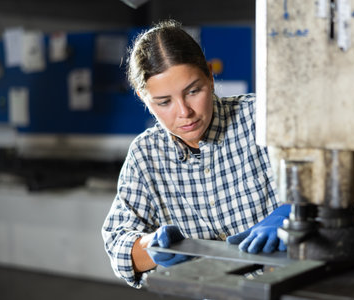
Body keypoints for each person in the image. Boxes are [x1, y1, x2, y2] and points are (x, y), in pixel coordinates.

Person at [101, 20, 290, 288]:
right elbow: (118, 247)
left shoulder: (262, 120)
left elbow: (348, 190)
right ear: (145, 100)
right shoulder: (146, 155)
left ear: (211, 78)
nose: (184, 112)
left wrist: (292, 214)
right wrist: (151, 248)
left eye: (193, 91)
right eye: (164, 102)